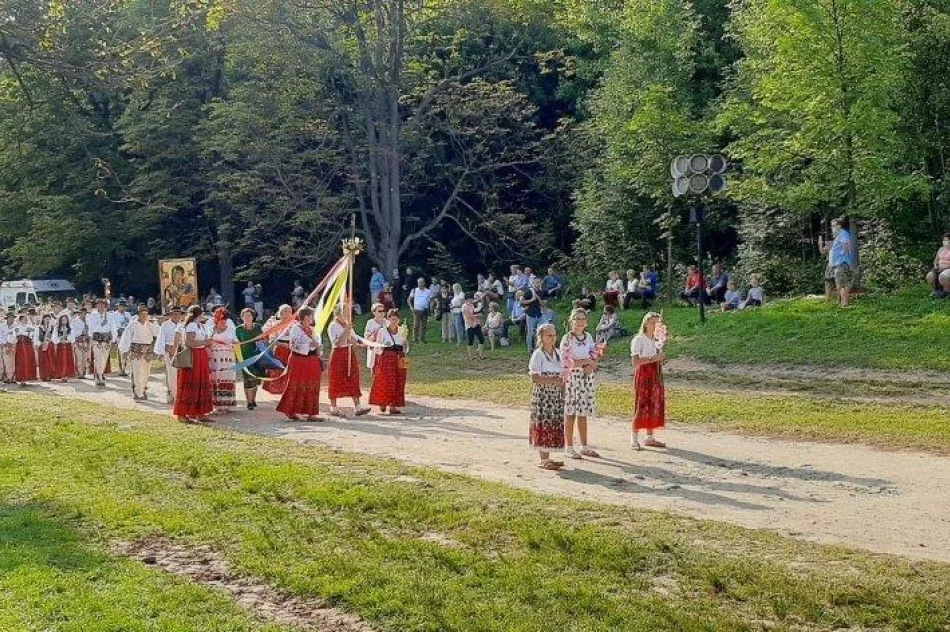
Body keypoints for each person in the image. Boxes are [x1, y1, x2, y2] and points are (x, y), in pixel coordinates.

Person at [560, 308, 600, 460]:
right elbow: (567, 361)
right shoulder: (567, 338)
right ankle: (569, 446)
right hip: (572, 378)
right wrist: (586, 362)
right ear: (572, 321)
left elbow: (593, 354)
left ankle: (584, 446)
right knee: (570, 412)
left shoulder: (588, 336)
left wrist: (591, 364)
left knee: (583, 412)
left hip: (585, 377)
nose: (580, 322)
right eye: (577, 319)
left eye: (583, 319)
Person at [276, 307, 324, 421]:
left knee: (313, 385)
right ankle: (290, 411)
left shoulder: (313, 330)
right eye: (311, 316)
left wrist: (318, 348)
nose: (312, 318)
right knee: (296, 384)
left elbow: (318, 344)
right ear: (306, 317)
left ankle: (311, 413)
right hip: (299, 360)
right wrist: (310, 344)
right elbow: (294, 345)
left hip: (312, 360)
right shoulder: (295, 329)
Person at [630, 312, 667, 450]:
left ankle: (649, 436)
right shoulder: (639, 339)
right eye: (653, 323)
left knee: (654, 402)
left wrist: (660, 357)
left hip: (655, 371)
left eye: (658, 323)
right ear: (646, 323)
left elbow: (658, 356)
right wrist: (653, 358)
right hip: (644, 372)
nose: (656, 326)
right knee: (642, 403)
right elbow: (635, 361)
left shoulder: (656, 340)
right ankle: (634, 438)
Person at [327, 306, 371, 417]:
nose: (347, 316)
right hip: (338, 353)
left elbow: (354, 340)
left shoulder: (347, 324)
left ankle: (357, 406)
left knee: (353, 376)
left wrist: (365, 343)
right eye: (344, 313)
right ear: (338, 314)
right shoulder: (333, 325)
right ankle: (334, 407)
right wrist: (347, 331)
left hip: (349, 353)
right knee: (336, 378)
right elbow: (338, 342)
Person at [173, 306, 213, 424]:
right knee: (191, 383)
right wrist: (205, 342)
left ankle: (199, 412)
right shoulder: (191, 325)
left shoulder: (201, 326)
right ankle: (183, 413)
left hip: (201, 355)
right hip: (193, 356)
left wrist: (207, 343)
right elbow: (189, 343)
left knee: (202, 383)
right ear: (198, 314)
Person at [369, 309, 408, 414]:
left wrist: (405, 346)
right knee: (386, 381)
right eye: (392, 319)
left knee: (399, 381)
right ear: (388, 319)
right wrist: (383, 348)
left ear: (399, 320)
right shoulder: (383, 331)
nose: (394, 321)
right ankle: (383, 402)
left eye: (396, 319)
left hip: (400, 357)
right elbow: (377, 347)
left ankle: (393, 405)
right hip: (387, 358)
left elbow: (405, 347)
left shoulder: (402, 331)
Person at [118, 305, 159, 400]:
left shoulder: (150, 325)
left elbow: (157, 333)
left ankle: (143, 389)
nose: (144, 316)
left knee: (146, 372)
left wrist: (155, 323)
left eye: (146, 314)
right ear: (138, 315)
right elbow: (126, 337)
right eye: (142, 314)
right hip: (136, 349)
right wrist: (125, 350)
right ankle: (137, 392)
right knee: (137, 371)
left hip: (147, 350)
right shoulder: (133, 325)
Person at [208, 307, 238, 412]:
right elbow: (207, 342)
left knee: (227, 377)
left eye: (225, 319)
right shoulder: (211, 329)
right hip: (215, 359)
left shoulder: (231, 329)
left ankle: (227, 403)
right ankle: (216, 404)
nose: (223, 322)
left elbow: (236, 342)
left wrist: (235, 345)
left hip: (227, 360)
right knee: (215, 379)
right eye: (221, 319)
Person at [823, 217, 857, 307]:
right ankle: (842, 302)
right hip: (837, 263)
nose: (832, 227)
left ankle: (845, 303)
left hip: (841, 262)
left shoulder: (843, 233)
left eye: (834, 225)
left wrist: (844, 254)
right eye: (832, 226)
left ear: (839, 226)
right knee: (840, 284)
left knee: (842, 283)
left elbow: (846, 244)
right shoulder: (839, 235)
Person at [235, 308, 264, 411]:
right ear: (242, 317)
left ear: (253, 317)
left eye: (249, 315)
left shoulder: (258, 327)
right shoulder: (238, 329)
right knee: (247, 379)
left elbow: (264, 339)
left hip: (257, 356)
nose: (247, 317)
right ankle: (249, 402)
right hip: (244, 357)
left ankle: (253, 399)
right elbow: (236, 342)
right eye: (245, 315)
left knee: (256, 379)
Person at [262, 304, 294, 395]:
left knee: (291, 370)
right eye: (285, 311)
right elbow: (271, 340)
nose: (287, 313)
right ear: (281, 313)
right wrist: (282, 344)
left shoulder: (294, 324)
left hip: (291, 350)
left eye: (289, 311)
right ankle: (278, 389)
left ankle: (289, 389)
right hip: (280, 349)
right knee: (279, 369)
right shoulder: (276, 324)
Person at [154, 307, 183, 404]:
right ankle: (173, 394)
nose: (177, 316)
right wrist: (161, 352)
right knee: (171, 374)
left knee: (182, 373)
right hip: (169, 350)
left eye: (178, 314)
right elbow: (161, 339)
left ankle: (181, 394)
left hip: (182, 351)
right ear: (171, 315)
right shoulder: (165, 325)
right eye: (174, 314)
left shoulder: (183, 324)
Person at [88, 299, 117, 387]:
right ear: (96, 306)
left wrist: (114, 339)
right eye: (99, 304)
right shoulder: (92, 316)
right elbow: (91, 328)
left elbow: (113, 327)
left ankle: (101, 373)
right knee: (98, 358)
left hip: (107, 338)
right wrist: (101, 325)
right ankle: (98, 376)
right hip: (97, 338)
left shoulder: (109, 316)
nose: (101, 306)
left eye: (102, 304)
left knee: (104, 358)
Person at [13, 309, 38, 386]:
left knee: (29, 360)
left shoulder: (30, 327)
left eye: (26, 319)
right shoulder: (16, 328)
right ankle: (21, 378)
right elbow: (14, 337)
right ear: (20, 320)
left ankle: (28, 377)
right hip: (20, 346)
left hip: (28, 345)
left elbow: (32, 335)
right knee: (21, 361)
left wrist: (28, 334)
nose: (25, 320)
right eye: (24, 319)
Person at [110, 299, 132, 377]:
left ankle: (126, 367)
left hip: (127, 335)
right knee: (120, 352)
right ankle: (121, 369)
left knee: (127, 352)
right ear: (118, 307)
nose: (122, 308)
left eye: (124, 307)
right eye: (121, 306)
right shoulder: (113, 315)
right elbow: (113, 326)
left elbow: (131, 324)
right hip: (119, 334)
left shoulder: (128, 315)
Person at [52, 313, 77, 382]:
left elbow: (73, 338)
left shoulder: (70, 327)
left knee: (67, 360)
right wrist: (60, 339)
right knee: (60, 360)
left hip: (67, 345)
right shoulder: (57, 328)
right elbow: (54, 338)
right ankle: (61, 374)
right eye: (62, 320)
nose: (64, 321)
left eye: (65, 319)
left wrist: (67, 339)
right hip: (60, 345)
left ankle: (66, 375)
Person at [407, 278, 433, 344]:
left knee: (424, 325)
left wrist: (430, 308)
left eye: (421, 283)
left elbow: (431, 300)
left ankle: (422, 339)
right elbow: (409, 299)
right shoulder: (414, 290)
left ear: (424, 283)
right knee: (416, 325)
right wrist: (411, 307)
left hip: (425, 310)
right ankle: (415, 339)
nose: (420, 284)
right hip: (417, 310)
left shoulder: (428, 291)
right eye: (418, 283)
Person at [363, 303, 388, 371]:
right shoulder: (370, 323)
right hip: (374, 351)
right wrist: (372, 336)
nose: (382, 313)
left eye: (383, 311)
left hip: (385, 351)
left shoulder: (387, 322)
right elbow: (367, 338)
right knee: (375, 372)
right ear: (374, 312)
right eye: (379, 311)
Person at [521, 281, 543, 352]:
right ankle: (530, 349)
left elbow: (542, 304)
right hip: (530, 315)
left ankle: (539, 347)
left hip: (539, 314)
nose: (537, 285)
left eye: (539, 283)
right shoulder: (529, 291)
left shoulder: (540, 292)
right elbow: (522, 301)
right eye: (536, 283)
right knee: (530, 332)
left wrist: (538, 297)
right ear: (533, 284)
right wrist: (531, 300)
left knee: (542, 330)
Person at [462, 293, 485, 360]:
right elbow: (468, 316)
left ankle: (480, 354)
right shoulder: (464, 306)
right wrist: (478, 316)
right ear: (466, 299)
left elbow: (478, 311)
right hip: (470, 325)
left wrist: (479, 319)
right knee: (471, 340)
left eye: (472, 299)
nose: (471, 300)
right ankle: (470, 356)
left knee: (481, 338)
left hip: (476, 323)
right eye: (470, 299)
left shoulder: (473, 304)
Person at [927, 233, 950, 298]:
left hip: (948, 268)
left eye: (946, 240)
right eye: (944, 240)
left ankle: (947, 293)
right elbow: (935, 260)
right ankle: (935, 290)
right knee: (930, 276)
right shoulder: (941, 249)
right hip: (939, 267)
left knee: (943, 276)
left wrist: (945, 267)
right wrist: (935, 266)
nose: (944, 242)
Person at [36, 314, 57, 382]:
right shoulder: (40, 327)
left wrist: (49, 338)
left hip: (50, 345)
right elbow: (40, 337)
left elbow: (53, 336)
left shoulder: (52, 327)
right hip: (43, 345)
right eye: (46, 319)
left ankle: (49, 375)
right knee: (43, 360)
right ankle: (44, 375)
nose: (47, 320)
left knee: (50, 360)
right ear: (43, 319)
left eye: (49, 319)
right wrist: (46, 336)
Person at [71, 308, 89, 379]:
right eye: (82, 313)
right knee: (79, 358)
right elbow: (73, 333)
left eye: (85, 313)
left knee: (84, 358)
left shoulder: (87, 321)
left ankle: (83, 372)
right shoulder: (74, 321)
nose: (84, 314)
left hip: (85, 341)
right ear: (79, 313)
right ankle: (79, 373)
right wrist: (82, 332)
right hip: (78, 341)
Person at [0, 311, 16, 383]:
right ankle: (3, 376)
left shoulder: (15, 326)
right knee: (3, 362)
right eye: (10, 318)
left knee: (10, 361)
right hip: (2, 345)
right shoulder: (2, 325)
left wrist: (10, 343)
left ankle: (10, 377)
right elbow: (0, 335)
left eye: (13, 318)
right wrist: (4, 342)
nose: (12, 319)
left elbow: (15, 336)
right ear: (7, 318)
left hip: (12, 345)